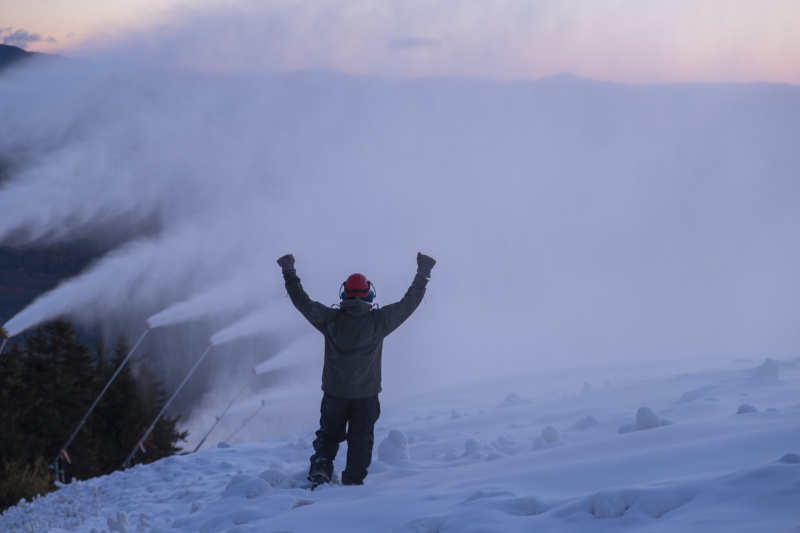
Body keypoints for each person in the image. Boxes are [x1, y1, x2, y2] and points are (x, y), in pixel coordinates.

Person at [277, 252, 436, 487]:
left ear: (344, 294)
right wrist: (423, 272)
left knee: (329, 435)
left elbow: (301, 301)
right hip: (366, 395)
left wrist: (288, 270)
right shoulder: (379, 321)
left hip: (335, 392)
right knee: (361, 440)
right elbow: (408, 303)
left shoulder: (330, 319)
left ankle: (321, 467)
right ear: (369, 294)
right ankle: (353, 480)